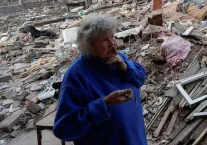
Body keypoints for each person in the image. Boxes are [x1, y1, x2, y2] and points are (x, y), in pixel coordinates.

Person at [53, 15, 147, 145]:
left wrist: (126, 68)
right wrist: (104, 104)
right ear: (89, 45)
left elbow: (140, 78)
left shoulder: (118, 58)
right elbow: (64, 129)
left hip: (135, 138)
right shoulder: (77, 75)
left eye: (112, 37)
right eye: (104, 40)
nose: (113, 44)